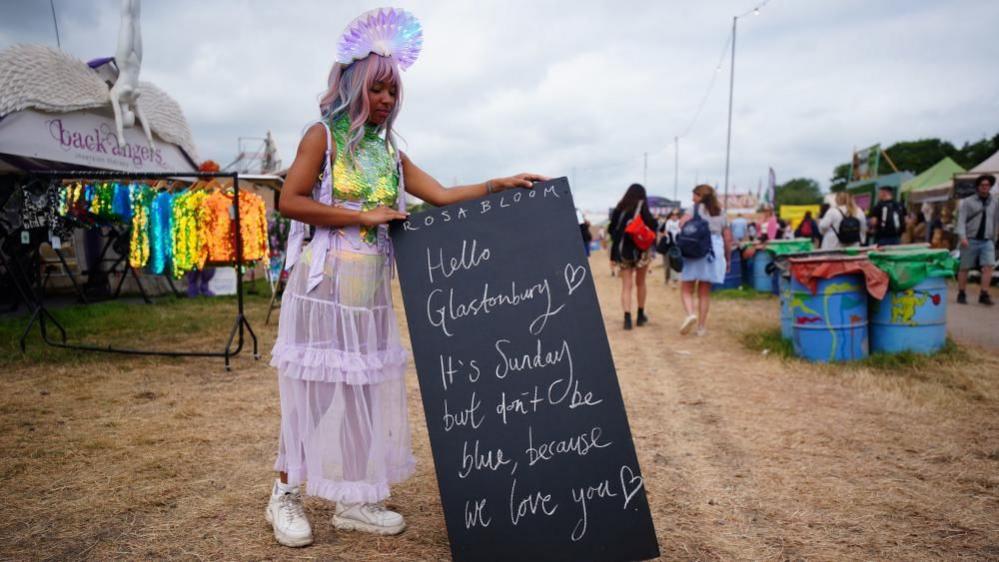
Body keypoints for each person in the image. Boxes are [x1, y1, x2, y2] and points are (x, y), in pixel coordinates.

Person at [267, 8, 546, 547]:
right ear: (354, 85)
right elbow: (290, 201)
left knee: (363, 394)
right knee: (318, 393)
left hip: (370, 294)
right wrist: (362, 216)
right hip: (324, 289)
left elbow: (439, 194)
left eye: (394, 92)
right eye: (378, 90)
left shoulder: (389, 150)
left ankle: (354, 499)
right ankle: (284, 495)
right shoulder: (322, 137)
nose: (387, 101)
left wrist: (497, 184)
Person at [679, 184, 731, 336]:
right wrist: (727, 259)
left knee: (687, 288)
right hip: (713, 251)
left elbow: (681, 225)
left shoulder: (693, 209)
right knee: (704, 291)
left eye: (694, 195)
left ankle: (690, 314)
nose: (692, 198)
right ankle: (701, 327)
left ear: (700, 196)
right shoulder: (721, 212)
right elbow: (727, 238)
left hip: (694, 249)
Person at [608, 183, 657, 329]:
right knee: (641, 283)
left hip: (623, 252)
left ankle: (627, 318)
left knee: (626, 286)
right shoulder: (642, 206)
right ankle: (640, 316)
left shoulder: (619, 208)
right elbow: (653, 225)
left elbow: (612, 230)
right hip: (641, 251)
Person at [955, 174, 997, 305]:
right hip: (970, 239)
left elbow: (996, 220)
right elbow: (961, 221)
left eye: (987, 185)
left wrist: (994, 238)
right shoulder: (968, 202)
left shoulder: (995, 202)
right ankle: (961, 292)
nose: (985, 187)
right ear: (978, 187)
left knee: (989, 266)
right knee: (964, 267)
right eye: (982, 185)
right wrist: (962, 237)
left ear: (990, 186)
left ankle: (984, 294)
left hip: (987, 239)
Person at [660, 209, 682, 284]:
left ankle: (675, 280)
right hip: (666, 247)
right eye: (673, 215)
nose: (674, 216)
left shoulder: (680, 224)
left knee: (675, 264)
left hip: (676, 247)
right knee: (667, 264)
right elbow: (660, 232)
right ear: (670, 216)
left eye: (676, 215)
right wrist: (665, 235)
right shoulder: (666, 223)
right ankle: (666, 279)